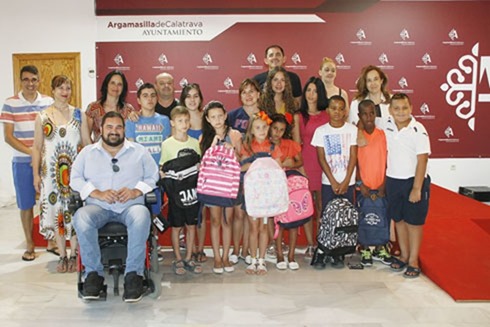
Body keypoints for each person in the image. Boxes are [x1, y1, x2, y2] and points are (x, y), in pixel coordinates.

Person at [71, 111, 159, 302]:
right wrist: (96, 193)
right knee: (81, 217)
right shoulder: (87, 153)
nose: (114, 131)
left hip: (130, 207)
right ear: (101, 129)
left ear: (124, 129)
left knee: (142, 215)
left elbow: (153, 176)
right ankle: (93, 275)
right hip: (98, 207)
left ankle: (133, 276)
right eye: (109, 127)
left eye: (118, 127)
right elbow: (75, 179)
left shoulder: (139, 151)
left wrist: (137, 190)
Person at [0, 65, 53, 262]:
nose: (30, 83)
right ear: (20, 81)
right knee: (26, 204)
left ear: (39, 80)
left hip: (47, 161)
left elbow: (52, 131)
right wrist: (33, 153)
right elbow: (8, 137)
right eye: (26, 80)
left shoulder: (48, 102)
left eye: (34, 79)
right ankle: (30, 244)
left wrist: (42, 155)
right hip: (22, 161)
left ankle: (51, 241)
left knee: (49, 201)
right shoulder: (10, 103)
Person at [32, 75, 82, 273]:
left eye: (68, 87)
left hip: (75, 174)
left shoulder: (80, 115)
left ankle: (75, 254)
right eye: (60, 87)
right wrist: (36, 175)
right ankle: (62, 255)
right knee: (58, 214)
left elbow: (86, 144)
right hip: (51, 175)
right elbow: (36, 147)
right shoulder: (42, 116)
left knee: (75, 212)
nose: (65, 91)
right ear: (52, 90)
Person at [383, 93, 430, 279]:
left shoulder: (418, 129)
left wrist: (417, 188)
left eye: (404, 108)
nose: (400, 112)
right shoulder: (386, 125)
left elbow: (423, 160)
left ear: (411, 108)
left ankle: (413, 260)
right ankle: (403, 255)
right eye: (396, 108)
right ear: (390, 110)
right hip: (393, 181)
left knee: (414, 223)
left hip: (413, 181)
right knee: (399, 220)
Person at [311, 95, 357, 268]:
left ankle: (339, 252)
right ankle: (322, 250)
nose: (337, 112)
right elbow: (321, 159)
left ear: (345, 111)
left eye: (340, 108)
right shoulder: (321, 131)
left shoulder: (352, 130)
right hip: (328, 182)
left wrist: (346, 181)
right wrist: (333, 181)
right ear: (328, 110)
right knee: (326, 216)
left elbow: (353, 157)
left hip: (348, 182)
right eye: (333, 108)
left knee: (344, 218)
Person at [159, 106, 203, 275]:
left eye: (186, 120)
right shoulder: (167, 144)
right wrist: (168, 189)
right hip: (176, 195)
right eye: (180, 121)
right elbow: (163, 168)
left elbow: (199, 167)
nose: (184, 124)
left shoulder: (194, 143)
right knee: (177, 227)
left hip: (192, 193)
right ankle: (178, 258)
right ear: (172, 123)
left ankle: (189, 257)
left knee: (191, 226)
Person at [200, 101, 242, 274]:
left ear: (226, 115)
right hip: (212, 187)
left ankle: (226, 256)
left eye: (220, 116)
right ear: (208, 120)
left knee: (227, 221)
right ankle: (217, 257)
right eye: (213, 117)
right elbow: (203, 163)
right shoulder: (204, 138)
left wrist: (232, 149)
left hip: (230, 185)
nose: (217, 120)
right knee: (215, 220)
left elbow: (241, 159)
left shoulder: (235, 135)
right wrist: (212, 146)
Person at [240, 111, 282, 275]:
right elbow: (241, 167)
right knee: (253, 227)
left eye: (264, 127)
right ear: (251, 130)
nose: (262, 130)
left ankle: (262, 260)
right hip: (252, 194)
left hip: (267, 195)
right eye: (258, 128)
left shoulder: (273, 147)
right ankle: (253, 259)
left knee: (264, 227)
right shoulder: (247, 147)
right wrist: (256, 164)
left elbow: (278, 169)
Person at [292, 77, 329, 260]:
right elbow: (296, 144)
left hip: (324, 165)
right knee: (307, 207)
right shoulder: (298, 116)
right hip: (305, 165)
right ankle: (310, 244)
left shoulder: (327, 115)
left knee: (322, 206)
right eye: (308, 90)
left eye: (315, 91)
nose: (311, 95)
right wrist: (300, 169)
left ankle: (322, 242)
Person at [125, 82, 171, 225]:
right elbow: (131, 150)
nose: (149, 99)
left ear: (157, 99)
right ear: (138, 100)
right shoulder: (132, 122)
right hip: (139, 174)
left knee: (156, 210)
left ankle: (154, 241)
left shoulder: (164, 120)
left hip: (158, 174)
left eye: (152, 95)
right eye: (145, 96)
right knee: (139, 211)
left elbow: (168, 147)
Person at [227, 78, 261, 266]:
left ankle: (248, 249)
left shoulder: (265, 116)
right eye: (244, 92)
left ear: (258, 94)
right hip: (237, 170)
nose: (248, 95)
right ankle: (236, 249)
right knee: (238, 213)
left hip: (257, 172)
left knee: (251, 213)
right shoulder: (232, 116)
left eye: (251, 91)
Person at [355, 99, 392, 267]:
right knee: (365, 217)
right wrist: (359, 183)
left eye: (372, 113)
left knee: (382, 216)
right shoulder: (357, 136)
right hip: (364, 185)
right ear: (359, 116)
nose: (369, 117)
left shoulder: (383, 135)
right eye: (365, 114)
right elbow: (353, 161)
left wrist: (384, 183)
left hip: (380, 184)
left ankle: (380, 247)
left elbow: (387, 160)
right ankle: (365, 248)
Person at [268, 114, 303, 270]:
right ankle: (279, 254)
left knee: (293, 220)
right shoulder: (264, 144)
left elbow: (300, 161)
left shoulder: (290, 144)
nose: (277, 133)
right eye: (275, 128)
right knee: (278, 221)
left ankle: (291, 255)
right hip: (273, 188)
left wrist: (291, 163)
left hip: (291, 188)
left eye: (281, 130)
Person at [83, 70, 137, 145]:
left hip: (122, 154)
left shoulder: (128, 109)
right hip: (99, 154)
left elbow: (132, 136)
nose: (116, 87)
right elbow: (86, 136)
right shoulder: (93, 108)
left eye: (119, 84)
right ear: (106, 85)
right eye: (112, 83)